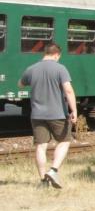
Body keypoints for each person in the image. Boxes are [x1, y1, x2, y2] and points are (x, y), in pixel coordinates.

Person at [18, 43, 78, 189]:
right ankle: (53, 170)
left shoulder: (31, 69)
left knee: (40, 146)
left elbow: (20, 84)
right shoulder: (60, 68)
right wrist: (74, 110)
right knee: (64, 141)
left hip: (37, 114)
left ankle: (43, 181)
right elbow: (68, 91)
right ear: (57, 55)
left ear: (45, 53)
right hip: (57, 113)